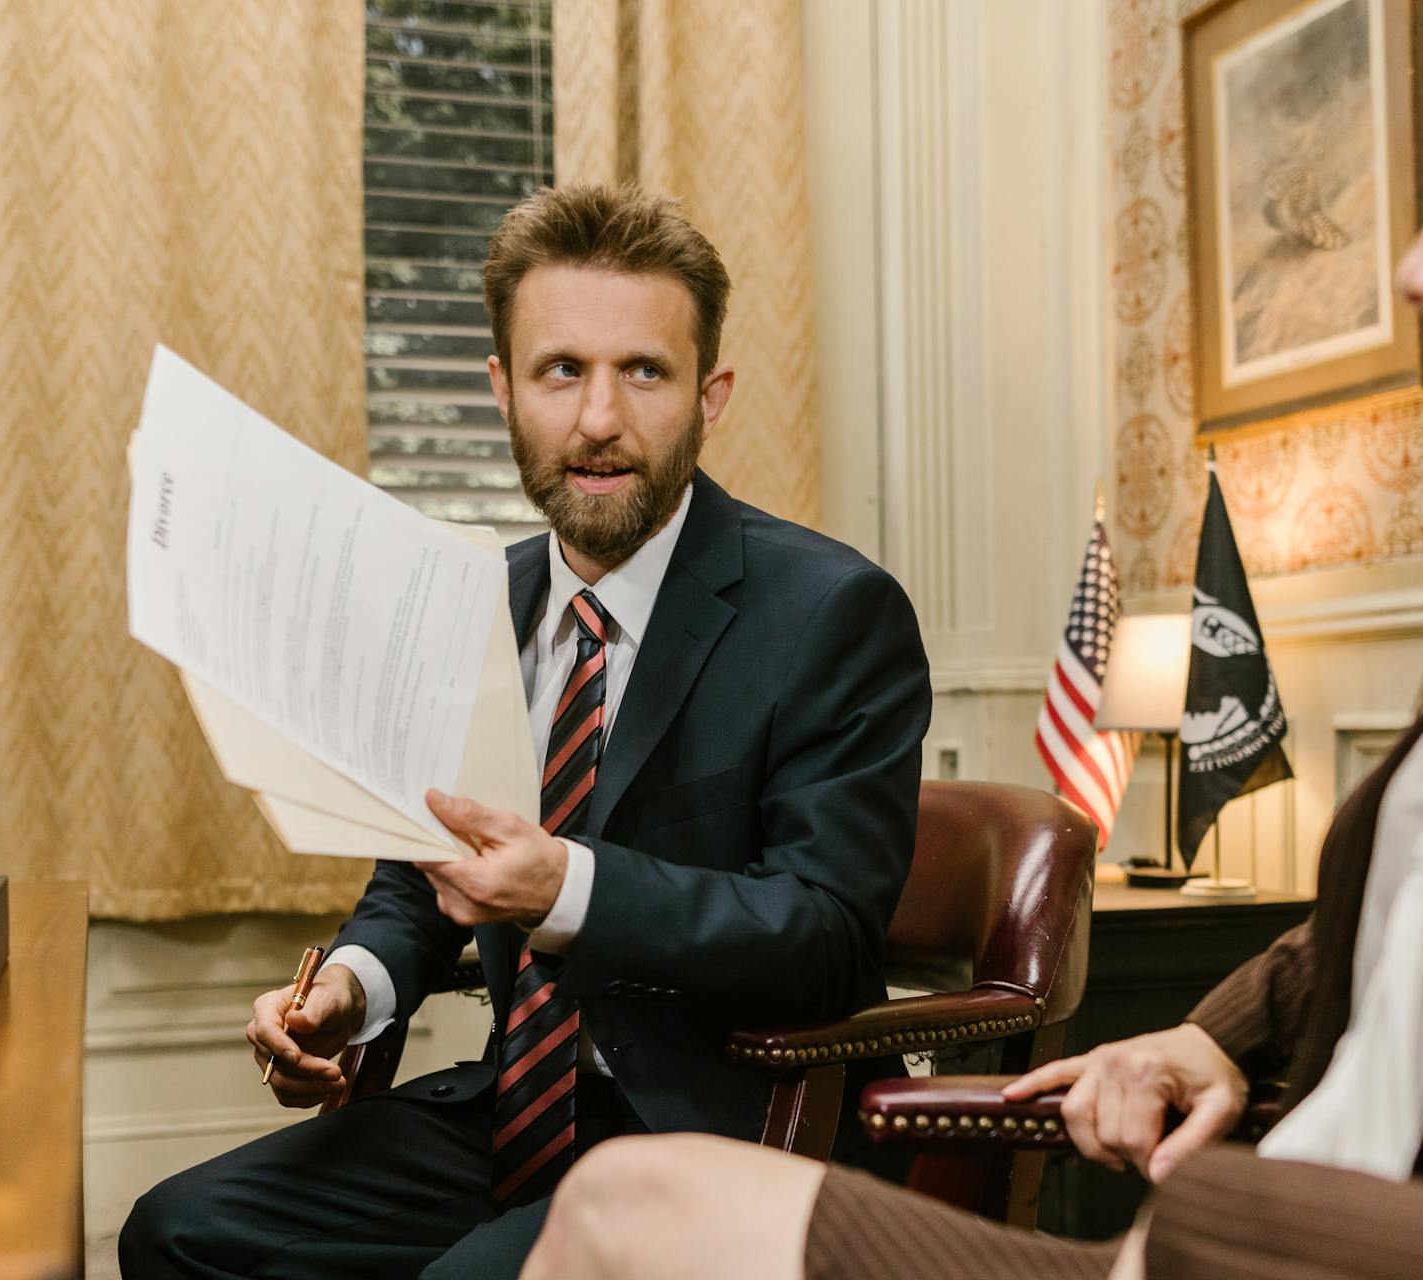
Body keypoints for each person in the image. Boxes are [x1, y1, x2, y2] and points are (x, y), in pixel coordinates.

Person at [516, 0, 1423, 1275]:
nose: (1416, 263)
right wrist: (1213, 1036)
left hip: (1246, 1252)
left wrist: (1209, 1223)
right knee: (629, 1203)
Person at [118, 184, 932, 1278]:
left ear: (711, 395)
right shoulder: (472, 603)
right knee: (177, 1230)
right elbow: (421, 877)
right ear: (503, 389)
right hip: (518, 1107)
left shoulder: (833, 611)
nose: (600, 419)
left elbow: (827, 930)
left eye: (644, 371)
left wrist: (570, 890)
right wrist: (350, 987)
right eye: (562, 371)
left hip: (724, 1129)